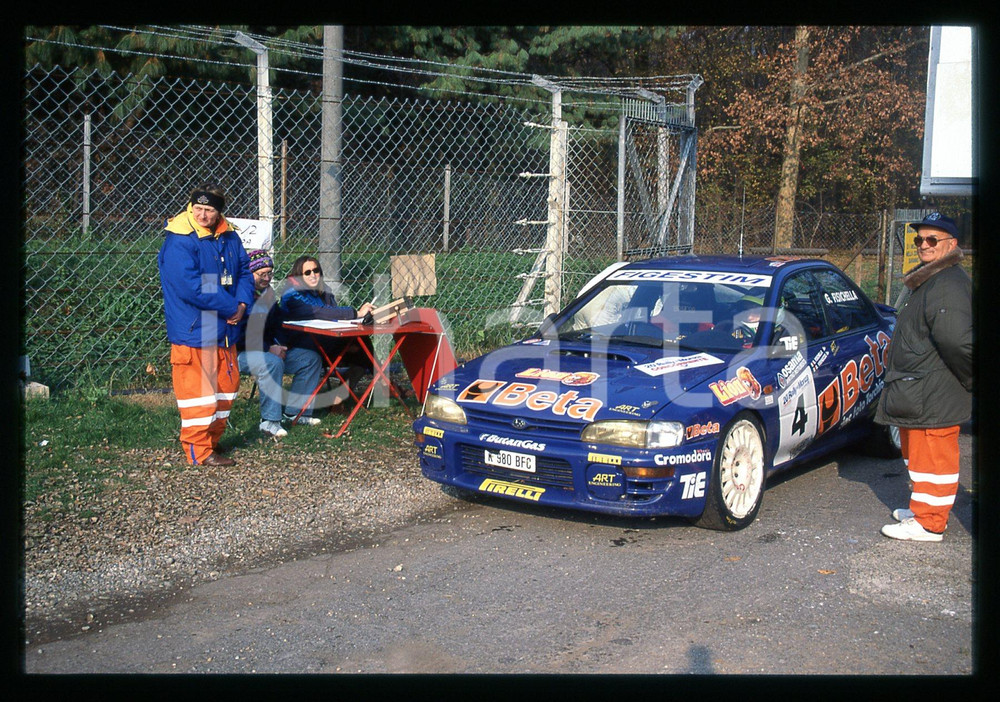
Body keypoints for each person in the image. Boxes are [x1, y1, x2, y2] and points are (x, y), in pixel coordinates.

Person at [875, 212, 973, 542]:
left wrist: (968, 379)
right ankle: (922, 508)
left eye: (932, 240)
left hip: (933, 389)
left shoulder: (947, 284)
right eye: (919, 240)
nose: (924, 246)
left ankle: (930, 522)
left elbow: (957, 341)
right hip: (918, 388)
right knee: (918, 456)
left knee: (934, 457)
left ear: (952, 244)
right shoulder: (933, 279)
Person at [158, 184, 254, 466]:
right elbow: (193, 287)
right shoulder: (180, 238)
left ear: (219, 212)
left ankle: (211, 442)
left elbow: (244, 272)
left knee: (226, 388)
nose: (202, 214)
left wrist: (243, 305)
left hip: (224, 328)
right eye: (197, 208)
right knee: (198, 395)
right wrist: (230, 307)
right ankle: (198, 451)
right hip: (195, 329)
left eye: (209, 210)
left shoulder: (229, 236)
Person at [236, 250, 324, 438]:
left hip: (268, 348)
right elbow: (240, 335)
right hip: (238, 354)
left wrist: (281, 344)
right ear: (249, 273)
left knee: (309, 359)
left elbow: (276, 324)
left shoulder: (267, 294)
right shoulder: (239, 296)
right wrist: (269, 348)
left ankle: (296, 412)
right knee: (271, 363)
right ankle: (269, 421)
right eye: (262, 274)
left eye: (270, 273)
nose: (267, 278)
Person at [279, 255, 376, 399]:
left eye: (316, 270)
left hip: (326, 342)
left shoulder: (324, 290)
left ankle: (340, 398)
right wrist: (356, 313)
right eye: (307, 272)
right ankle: (385, 384)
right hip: (303, 345)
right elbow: (319, 312)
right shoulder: (291, 294)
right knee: (361, 349)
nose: (313, 275)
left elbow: (333, 318)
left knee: (361, 347)